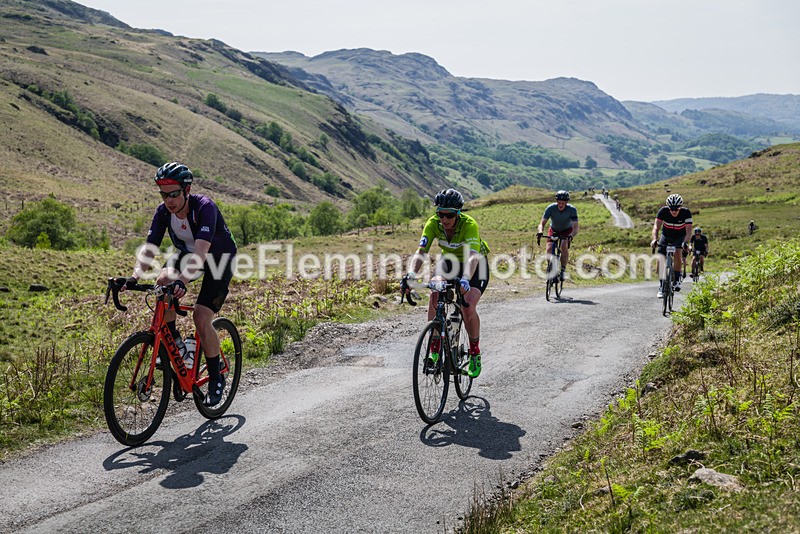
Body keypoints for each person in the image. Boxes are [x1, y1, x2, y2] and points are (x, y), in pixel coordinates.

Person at [121, 161, 237, 406]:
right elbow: (150, 248)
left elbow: (202, 252)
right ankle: (176, 343)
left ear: (187, 189)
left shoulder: (205, 207)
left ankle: (216, 377)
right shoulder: (163, 212)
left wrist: (183, 281)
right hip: (188, 254)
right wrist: (133, 278)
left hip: (218, 258)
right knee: (162, 280)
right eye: (164, 194)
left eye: (174, 194)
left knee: (201, 316)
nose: (169, 200)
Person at [401, 189, 490, 379]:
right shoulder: (433, 224)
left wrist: (465, 279)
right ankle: (435, 348)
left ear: (458, 213)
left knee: (468, 306)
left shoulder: (469, 225)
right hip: (448, 262)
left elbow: (473, 257)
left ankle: (474, 352)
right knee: (435, 290)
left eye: (449, 215)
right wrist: (410, 275)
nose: (444, 219)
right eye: (440, 214)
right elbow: (421, 251)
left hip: (474, 265)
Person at [651, 193, 692, 298]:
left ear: (680, 207)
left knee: (677, 252)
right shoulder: (663, 211)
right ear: (668, 208)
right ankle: (661, 286)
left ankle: (677, 278)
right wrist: (654, 239)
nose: (673, 211)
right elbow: (656, 227)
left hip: (680, 236)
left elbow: (688, 231)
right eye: (671, 209)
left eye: (676, 209)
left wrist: (685, 243)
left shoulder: (686, 213)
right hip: (666, 235)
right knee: (660, 258)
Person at [536, 190, 579, 281]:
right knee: (549, 248)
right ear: (556, 202)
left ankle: (563, 270)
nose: (560, 205)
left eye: (563, 203)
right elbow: (542, 223)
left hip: (567, 230)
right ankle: (551, 267)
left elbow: (575, 228)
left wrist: (571, 236)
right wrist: (540, 231)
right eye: (559, 203)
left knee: (563, 245)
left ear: (566, 203)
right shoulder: (551, 208)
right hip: (554, 229)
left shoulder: (572, 210)